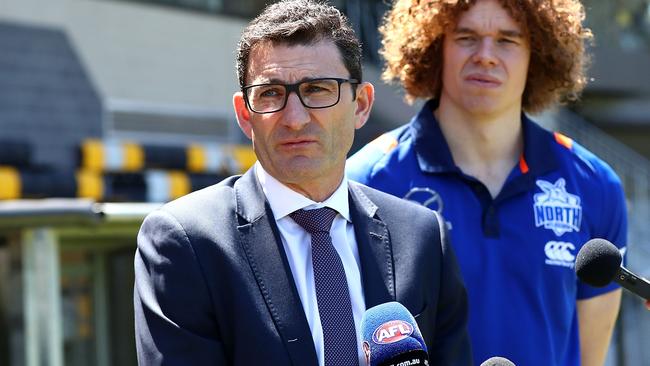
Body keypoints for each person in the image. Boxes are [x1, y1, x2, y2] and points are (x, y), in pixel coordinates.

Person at [133, 1, 472, 365]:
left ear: (361, 104)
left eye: (317, 90)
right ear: (245, 115)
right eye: (271, 94)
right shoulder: (186, 242)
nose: (294, 118)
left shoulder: (420, 237)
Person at [347, 0, 627, 365]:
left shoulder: (595, 186)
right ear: (434, 47)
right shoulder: (367, 181)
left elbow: (590, 358)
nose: (486, 55)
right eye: (467, 37)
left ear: (538, 54)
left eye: (507, 40)